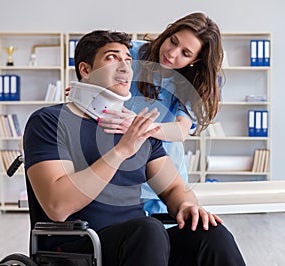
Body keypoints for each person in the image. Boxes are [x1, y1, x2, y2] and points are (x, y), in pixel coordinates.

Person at [24, 30, 245, 266]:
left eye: (129, 60)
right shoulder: (49, 121)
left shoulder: (138, 128)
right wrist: (120, 152)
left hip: (141, 244)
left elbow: (173, 188)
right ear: (86, 70)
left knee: (211, 234)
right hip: (80, 245)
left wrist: (187, 205)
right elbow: (57, 207)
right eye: (112, 58)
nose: (124, 67)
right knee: (148, 230)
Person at [96, 12, 224, 216]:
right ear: (168, 32)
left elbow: (181, 130)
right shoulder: (132, 53)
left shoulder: (198, 80)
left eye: (185, 53)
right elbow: (96, 77)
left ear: (196, 59)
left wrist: (137, 125)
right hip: (117, 162)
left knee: (168, 238)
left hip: (161, 170)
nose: (172, 54)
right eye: (173, 41)